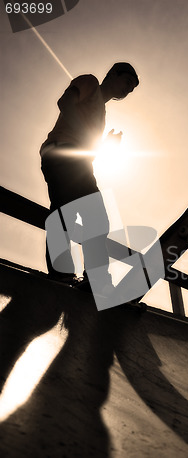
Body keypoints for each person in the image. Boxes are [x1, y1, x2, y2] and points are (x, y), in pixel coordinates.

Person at [40, 62, 139, 294]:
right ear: (113, 74)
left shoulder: (101, 113)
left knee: (95, 218)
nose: (128, 90)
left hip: (79, 162)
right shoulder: (90, 83)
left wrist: (106, 145)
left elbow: (88, 149)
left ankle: (93, 279)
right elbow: (64, 103)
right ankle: (65, 275)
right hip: (61, 153)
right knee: (67, 212)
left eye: (132, 89)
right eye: (127, 82)